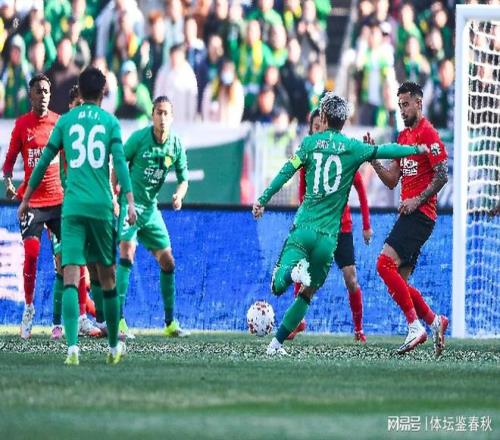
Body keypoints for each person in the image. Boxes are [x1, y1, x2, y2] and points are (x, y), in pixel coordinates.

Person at [252, 92, 428, 356]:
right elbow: (386, 149)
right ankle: (275, 345)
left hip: (304, 228)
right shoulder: (353, 147)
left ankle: (292, 273)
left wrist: (263, 199)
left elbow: (286, 171)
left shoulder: (309, 144)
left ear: (323, 117)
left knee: (278, 285)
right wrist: (416, 149)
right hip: (328, 239)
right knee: (307, 295)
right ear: (344, 121)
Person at [18, 67, 137, 366]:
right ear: (103, 93)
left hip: (71, 208)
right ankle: (113, 347)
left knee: (70, 274)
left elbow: (44, 161)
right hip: (100, 207)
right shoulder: (110, 122)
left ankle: (72, 348)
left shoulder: (66, 121)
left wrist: (27, 198)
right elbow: (120, 164)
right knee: (107, 277)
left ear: (80, 91)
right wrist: (129, 201)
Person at [369, 81, 449, 356]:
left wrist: (417, 199)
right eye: (399, 105)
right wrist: (374, 160)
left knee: (383, 264)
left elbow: (442, 174)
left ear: (419, 103)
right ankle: (434, 321)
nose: (402, 110)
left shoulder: (428, 134)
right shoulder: (403, 138)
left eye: (406, 104)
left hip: (421, 215)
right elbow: (392, 179)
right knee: (399, 281)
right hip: (411, 215)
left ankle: (415, 327)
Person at [288, 108, 373, 342]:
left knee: (351, 279)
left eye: (322, 126)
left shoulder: (341, 155)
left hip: (341, 228)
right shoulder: (308, 159)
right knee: (301, 270)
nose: (320, 130)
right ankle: (297, 321)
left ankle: (359, 329)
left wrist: (366, 225)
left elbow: (360, 188)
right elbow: (302, 195)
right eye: (315, 127)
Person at [115, 95, 190, 339]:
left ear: (172, 117)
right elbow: (118, 162)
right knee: (127, 251)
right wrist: (113, 194)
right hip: (130, 205)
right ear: (152, 115)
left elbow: (184, 179)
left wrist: (179, 195)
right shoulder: (139, 138)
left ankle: (169, 323)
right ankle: (118, 320)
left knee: (168, 262)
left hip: (150, 209)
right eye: (159, 113)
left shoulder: (175, 145)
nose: (162, 118)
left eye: (166, 113)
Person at [2, 73, 63, 340]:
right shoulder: (22, 125)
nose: (43, 95)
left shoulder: (59, 123)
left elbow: (69, 159)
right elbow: (9, 160)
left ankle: (72, 318)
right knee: (32, 254)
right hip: (33, 203)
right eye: (39, 91)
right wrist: (8, 181)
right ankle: (29, 308)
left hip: (59, 201)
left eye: (47, 91)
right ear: (31, 95)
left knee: (69, 260)